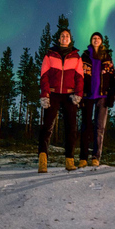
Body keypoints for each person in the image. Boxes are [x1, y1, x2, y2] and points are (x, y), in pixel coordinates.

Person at [38, 28, 84, 173]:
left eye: (67, 36)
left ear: (70, 40)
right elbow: (44, 75)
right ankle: (42, 160)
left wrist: (78, 94)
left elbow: (80, 78)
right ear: (59, 39)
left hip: (70, 96)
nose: (64, 37)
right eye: (62, 36)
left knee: (71, 128)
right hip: (53, 94)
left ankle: (69, 160)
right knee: (47, 127)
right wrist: (44, 94)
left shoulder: (77, 57)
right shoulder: (49, 55)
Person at [79, 32, 115, 168]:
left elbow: (112, 76)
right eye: (94, 38)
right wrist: (79, 94)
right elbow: (79, 75)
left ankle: (96, 157)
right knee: (85, 126)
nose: (96, 40)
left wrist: (112, 95)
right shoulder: (85, 56)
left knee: (100, 127)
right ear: (91, 40)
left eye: (98, 38)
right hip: (87, 95)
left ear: (101, 41)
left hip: (103, 95)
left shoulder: (106, 56)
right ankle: (83, 158)